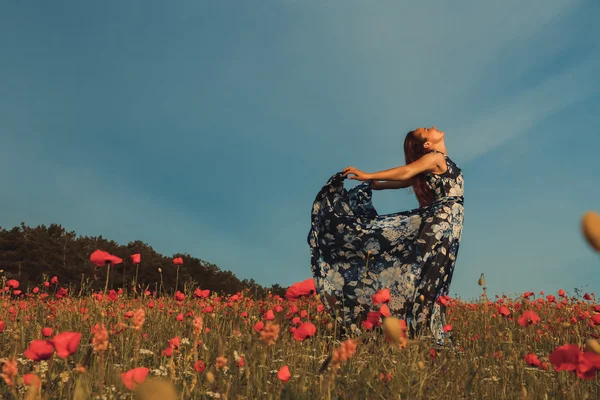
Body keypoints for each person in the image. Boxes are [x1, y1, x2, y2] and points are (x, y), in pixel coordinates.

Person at [307, 126, 464, 346]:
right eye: (426, 130)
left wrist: (377, 185)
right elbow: (407, 173)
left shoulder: (438, 162)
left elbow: (405, 181)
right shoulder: (435, 157)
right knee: (426, 276)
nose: (432, 127)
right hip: (440, 225)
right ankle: (418, 333)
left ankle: (420, 332)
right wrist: (369, 176)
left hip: (447, 225)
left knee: (431, 277)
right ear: (428, 144)